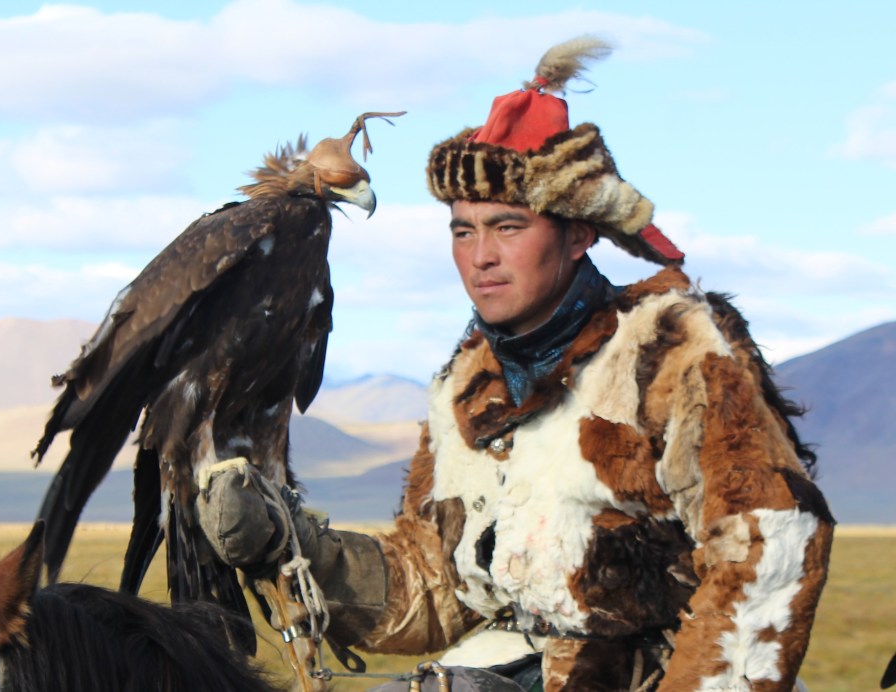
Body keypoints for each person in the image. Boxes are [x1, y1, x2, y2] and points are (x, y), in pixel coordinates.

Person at [205, 36, 834, 691]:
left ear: (579, 232)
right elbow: (434, 588)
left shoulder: (672, 353)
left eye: (507, 227)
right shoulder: (464, 389)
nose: (480, 256)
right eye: (462, 230)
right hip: (518, 667)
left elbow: (769, 548)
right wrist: (294, 550)